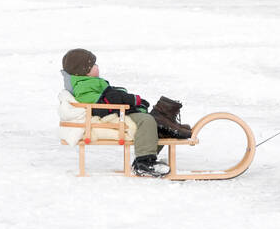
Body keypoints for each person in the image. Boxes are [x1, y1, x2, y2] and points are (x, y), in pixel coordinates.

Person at [61, 48, 192, 177]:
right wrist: (129, 101)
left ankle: (165, 122)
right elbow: (102, 103)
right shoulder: (83, 86)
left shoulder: (86, 82)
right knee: (147, 121)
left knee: (154, 121)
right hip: (111, 115)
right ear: (84, 70)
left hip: (115, 111)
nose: (97, 66)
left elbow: (106, 97)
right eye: (93, 64)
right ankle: (144, 162)